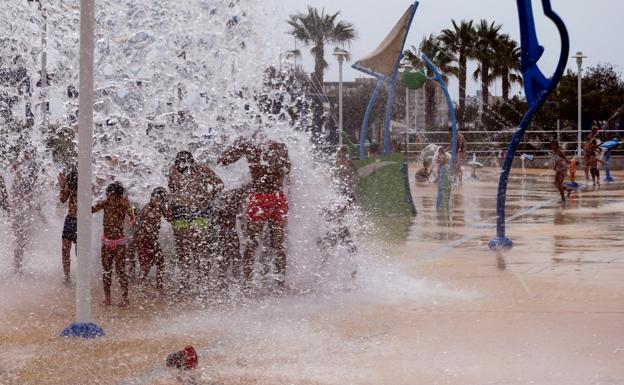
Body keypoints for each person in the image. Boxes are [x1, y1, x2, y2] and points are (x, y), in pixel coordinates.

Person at [218, 134, 291, 292]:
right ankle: (277, 284)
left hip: (263, 198)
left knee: (255, 242)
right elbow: (287, 170)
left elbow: (223, 160)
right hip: (273, 198)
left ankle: (249, 283)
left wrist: (238, 146)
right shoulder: (279, 146)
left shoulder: (250, 146)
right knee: (275, 243)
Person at [168, 151, 224, 292]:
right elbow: (172, 190)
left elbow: (219, 184)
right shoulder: (173, 170)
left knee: (199, 247)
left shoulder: (201, 169)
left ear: (191, 163)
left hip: (199, 211)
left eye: (185, 167)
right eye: (179, 166)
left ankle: (201, 284)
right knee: (182, 249)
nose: (182, 169)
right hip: (179, 212)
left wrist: (208, 198)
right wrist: (170, 208)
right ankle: (184, 284)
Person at [92, 182, 135, 307]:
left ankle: (125, 298)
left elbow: (132, 220)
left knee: (120, 270)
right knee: (106, 270)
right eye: (107, 194)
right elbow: (90, 210)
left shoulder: (123, 205)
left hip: (119, 242)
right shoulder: (105, 203)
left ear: (116, 195)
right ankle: (107, 298)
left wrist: (129, 207)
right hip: (106, 242)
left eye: (109, 194)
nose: (107, 196)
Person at [10, 150, 39, 275]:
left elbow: (32, 197)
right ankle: (17, 267)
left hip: (25, 212)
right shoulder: (18, 177)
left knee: (23, 241)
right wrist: (21, 157)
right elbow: (14, 196)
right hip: (18, 212)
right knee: (20, 240)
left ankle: (19, 266)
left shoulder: (29, 179)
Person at [135, 187, 168, 292]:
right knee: (146, 266)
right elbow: (144, 222)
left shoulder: (161, 208)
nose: (154, 200)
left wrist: (169, 204)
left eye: (159, 199)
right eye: (154, 198)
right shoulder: (148, 207)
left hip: (153, 241)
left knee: (160, 262)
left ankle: (159, 286)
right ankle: (140, 287)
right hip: (144, 241)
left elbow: (169, 218)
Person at [58, 169, 78, 285]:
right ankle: (67, 277)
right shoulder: (69, 186)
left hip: (82, 221)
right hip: (70, 220)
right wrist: (62, 186)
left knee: (79, 251)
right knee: (65, 250)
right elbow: (62, 200)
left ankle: (81, 277)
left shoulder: (85, 187)